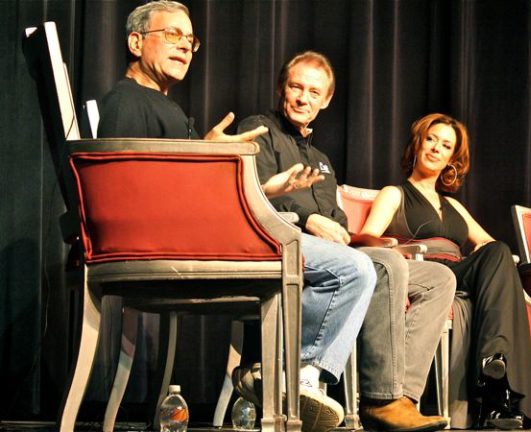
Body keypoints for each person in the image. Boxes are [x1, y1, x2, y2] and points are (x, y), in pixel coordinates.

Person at [98, 3, 378, 432]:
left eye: (189, 39)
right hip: (183, 249)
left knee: (368, 265)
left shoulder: (162, 106)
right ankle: (292, 374)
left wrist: (249, 179)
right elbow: (131, 196)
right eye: (171, 35)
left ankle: (287, 375)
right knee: (353, 268)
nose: (185, 47)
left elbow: (188, 190)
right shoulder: (127, 102)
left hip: (205, 240)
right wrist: (209, 160)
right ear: (136, 42)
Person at [235, 51, 456, 432]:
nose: (303, 98)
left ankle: (403, 396)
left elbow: (336, 220)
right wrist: (308, 218)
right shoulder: (259, 129)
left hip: (332, 250)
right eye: (296, 87)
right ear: (281, 89)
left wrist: (351, 234)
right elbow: (250, 194)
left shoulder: (321, 159)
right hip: (279, 243)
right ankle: (370, 395)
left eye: (313, 92)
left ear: (327, 100)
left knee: (439, 279)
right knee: (381, 267)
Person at [360, 113, 531, 429]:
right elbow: (367, 238)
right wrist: (396, 249)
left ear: (452, 159)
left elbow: (487, 243)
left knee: (499, 250)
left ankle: (495, 368)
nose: (436, 148)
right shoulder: (395, 193)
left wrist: (491, 264)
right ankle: (496, 387)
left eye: (446, 145)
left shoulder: (454, 206)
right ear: (417, 144)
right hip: (423, 269)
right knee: (496, 257)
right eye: (431, 140)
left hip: (458, 269)